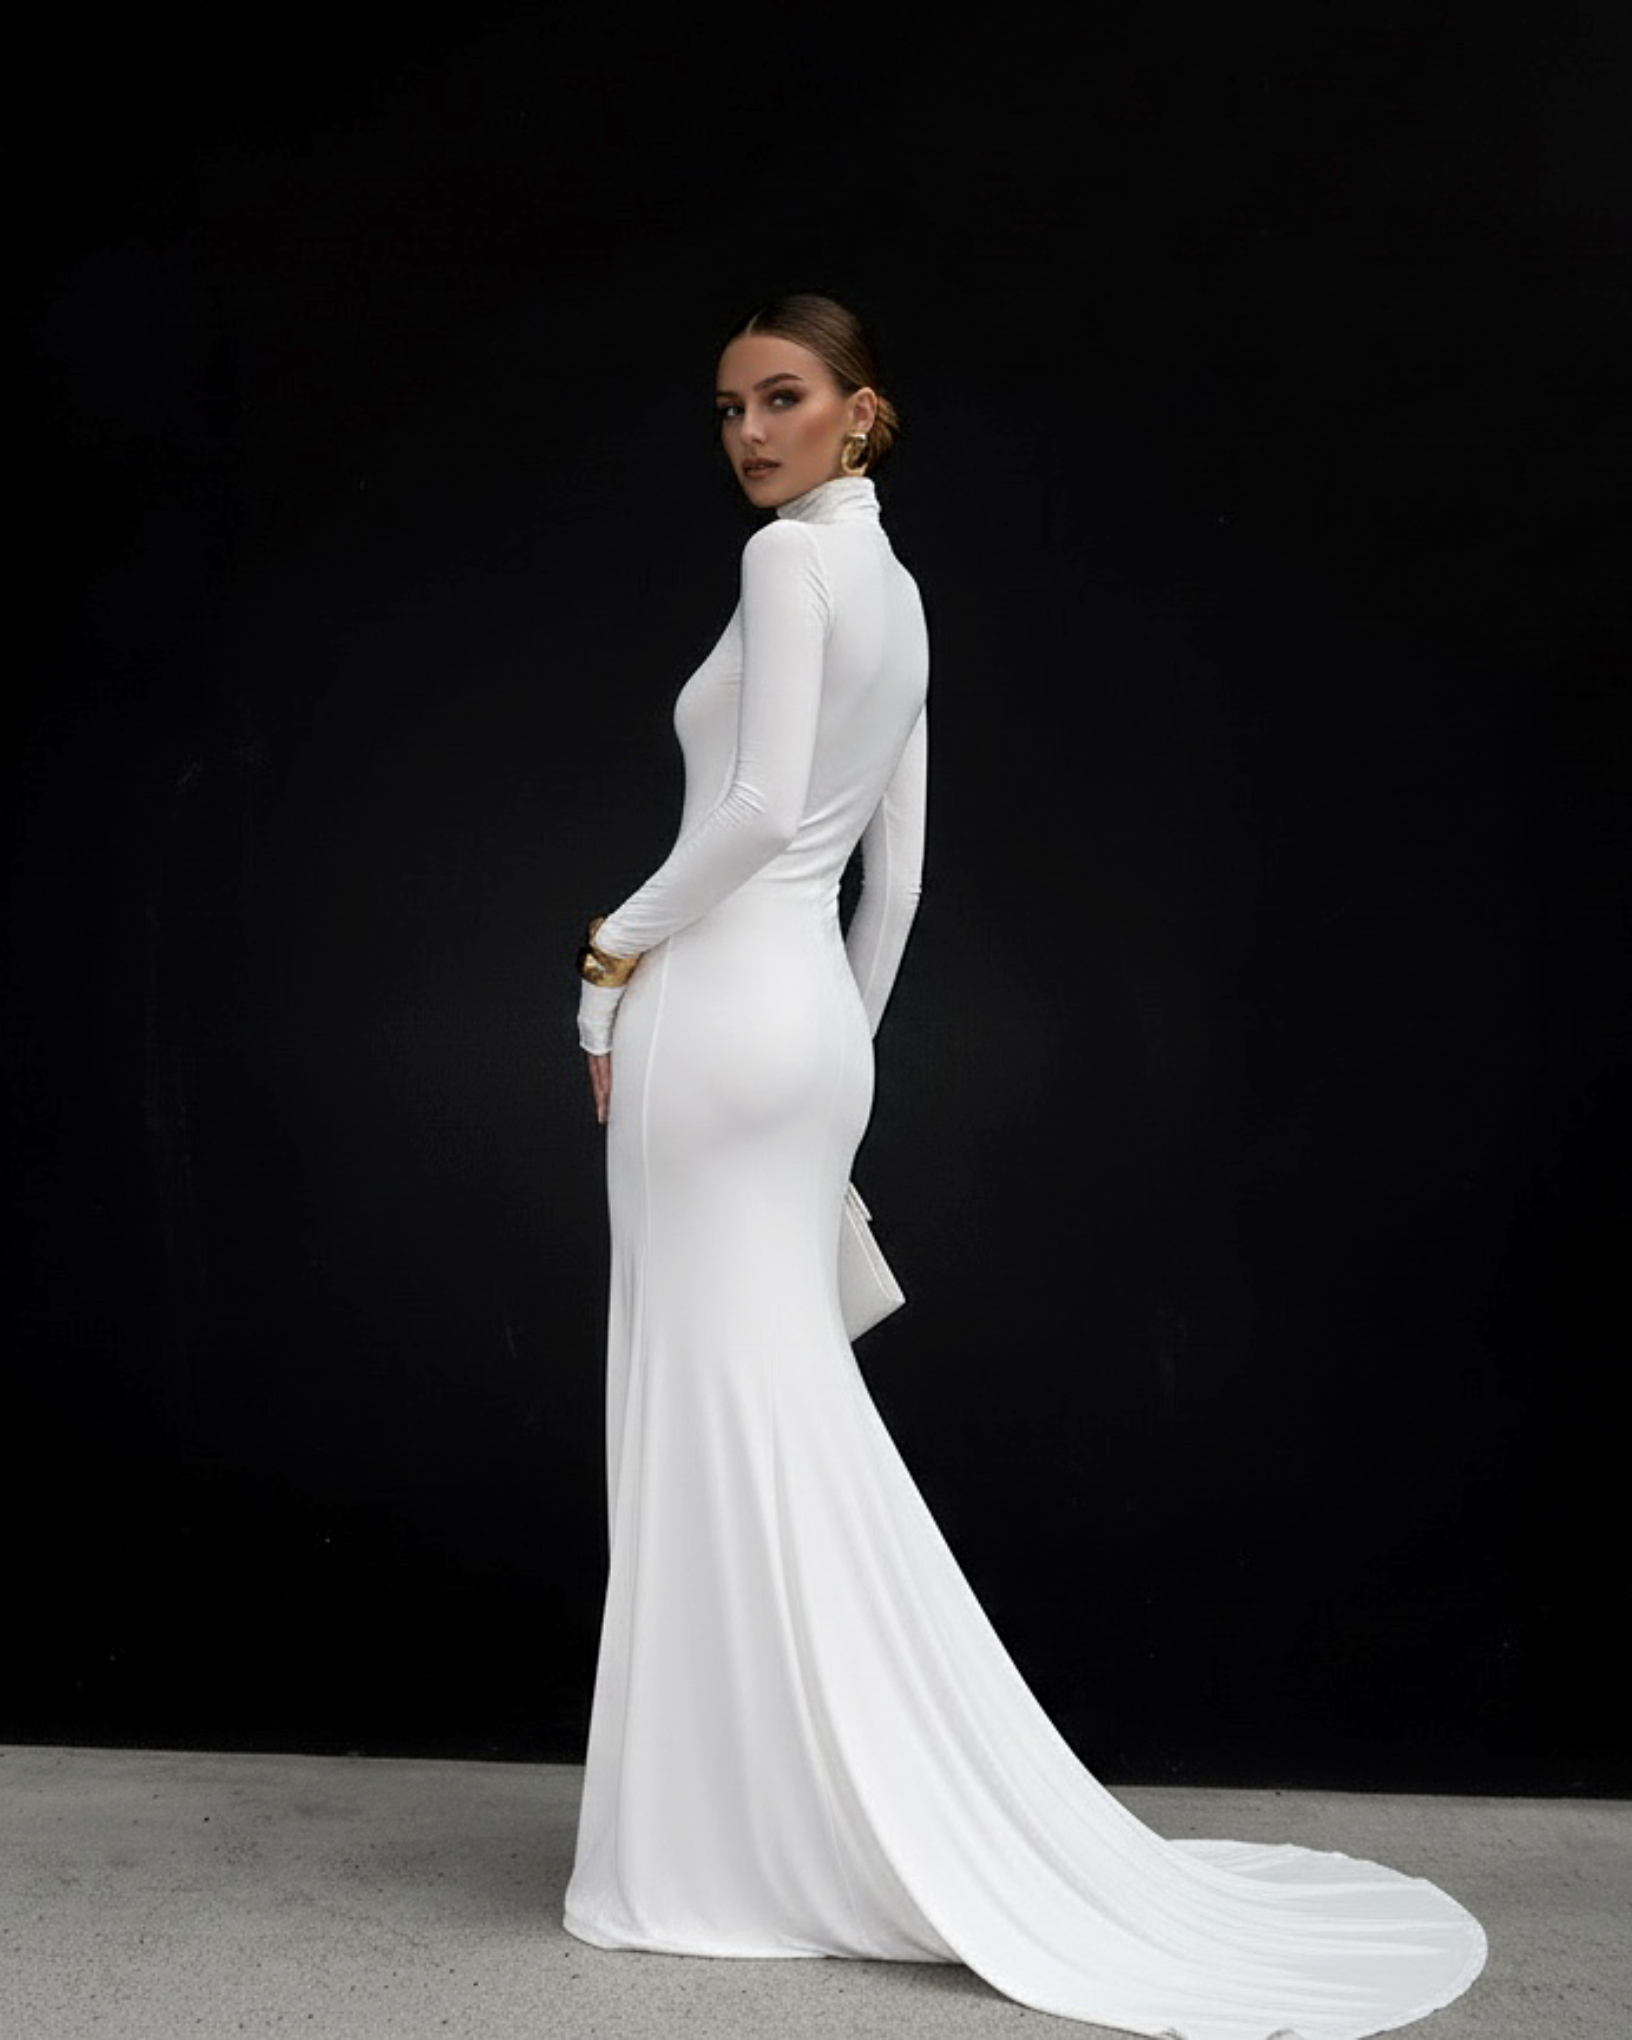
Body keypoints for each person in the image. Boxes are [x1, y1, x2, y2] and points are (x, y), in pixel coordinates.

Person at [564, 291, 1486, 2039]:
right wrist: (844, 1060)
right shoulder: (900, 592)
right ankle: (793, 1808)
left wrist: (610, 957)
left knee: (707, 1401)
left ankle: (719, 1838)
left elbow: (753, 815)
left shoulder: (788, 567)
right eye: (730, 407)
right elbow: (897, 879)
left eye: (782, 398)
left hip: (716, 1011)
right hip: (809, 1025)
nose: (750, 433)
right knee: (771, 1401)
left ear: (859, 410)